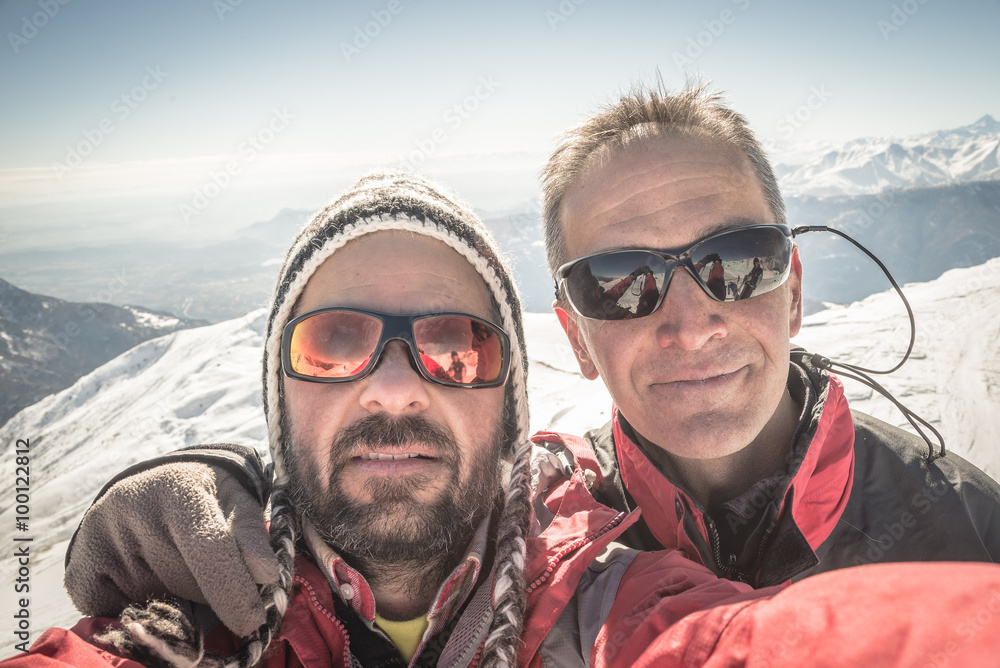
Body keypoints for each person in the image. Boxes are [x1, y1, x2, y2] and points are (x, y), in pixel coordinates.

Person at [12, 172, 1000, 668]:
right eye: (336, 342)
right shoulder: (190, 630)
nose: (393, 389)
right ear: (281, 396)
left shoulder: (611, 604)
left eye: (454, 346)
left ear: (508, 404)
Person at [543, 81, 1000, 586]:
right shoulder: (538, 561)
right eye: (620, 284)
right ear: (579, 340)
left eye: (737, 261)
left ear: (793, 294)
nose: (692, 330)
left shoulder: (974, 537)